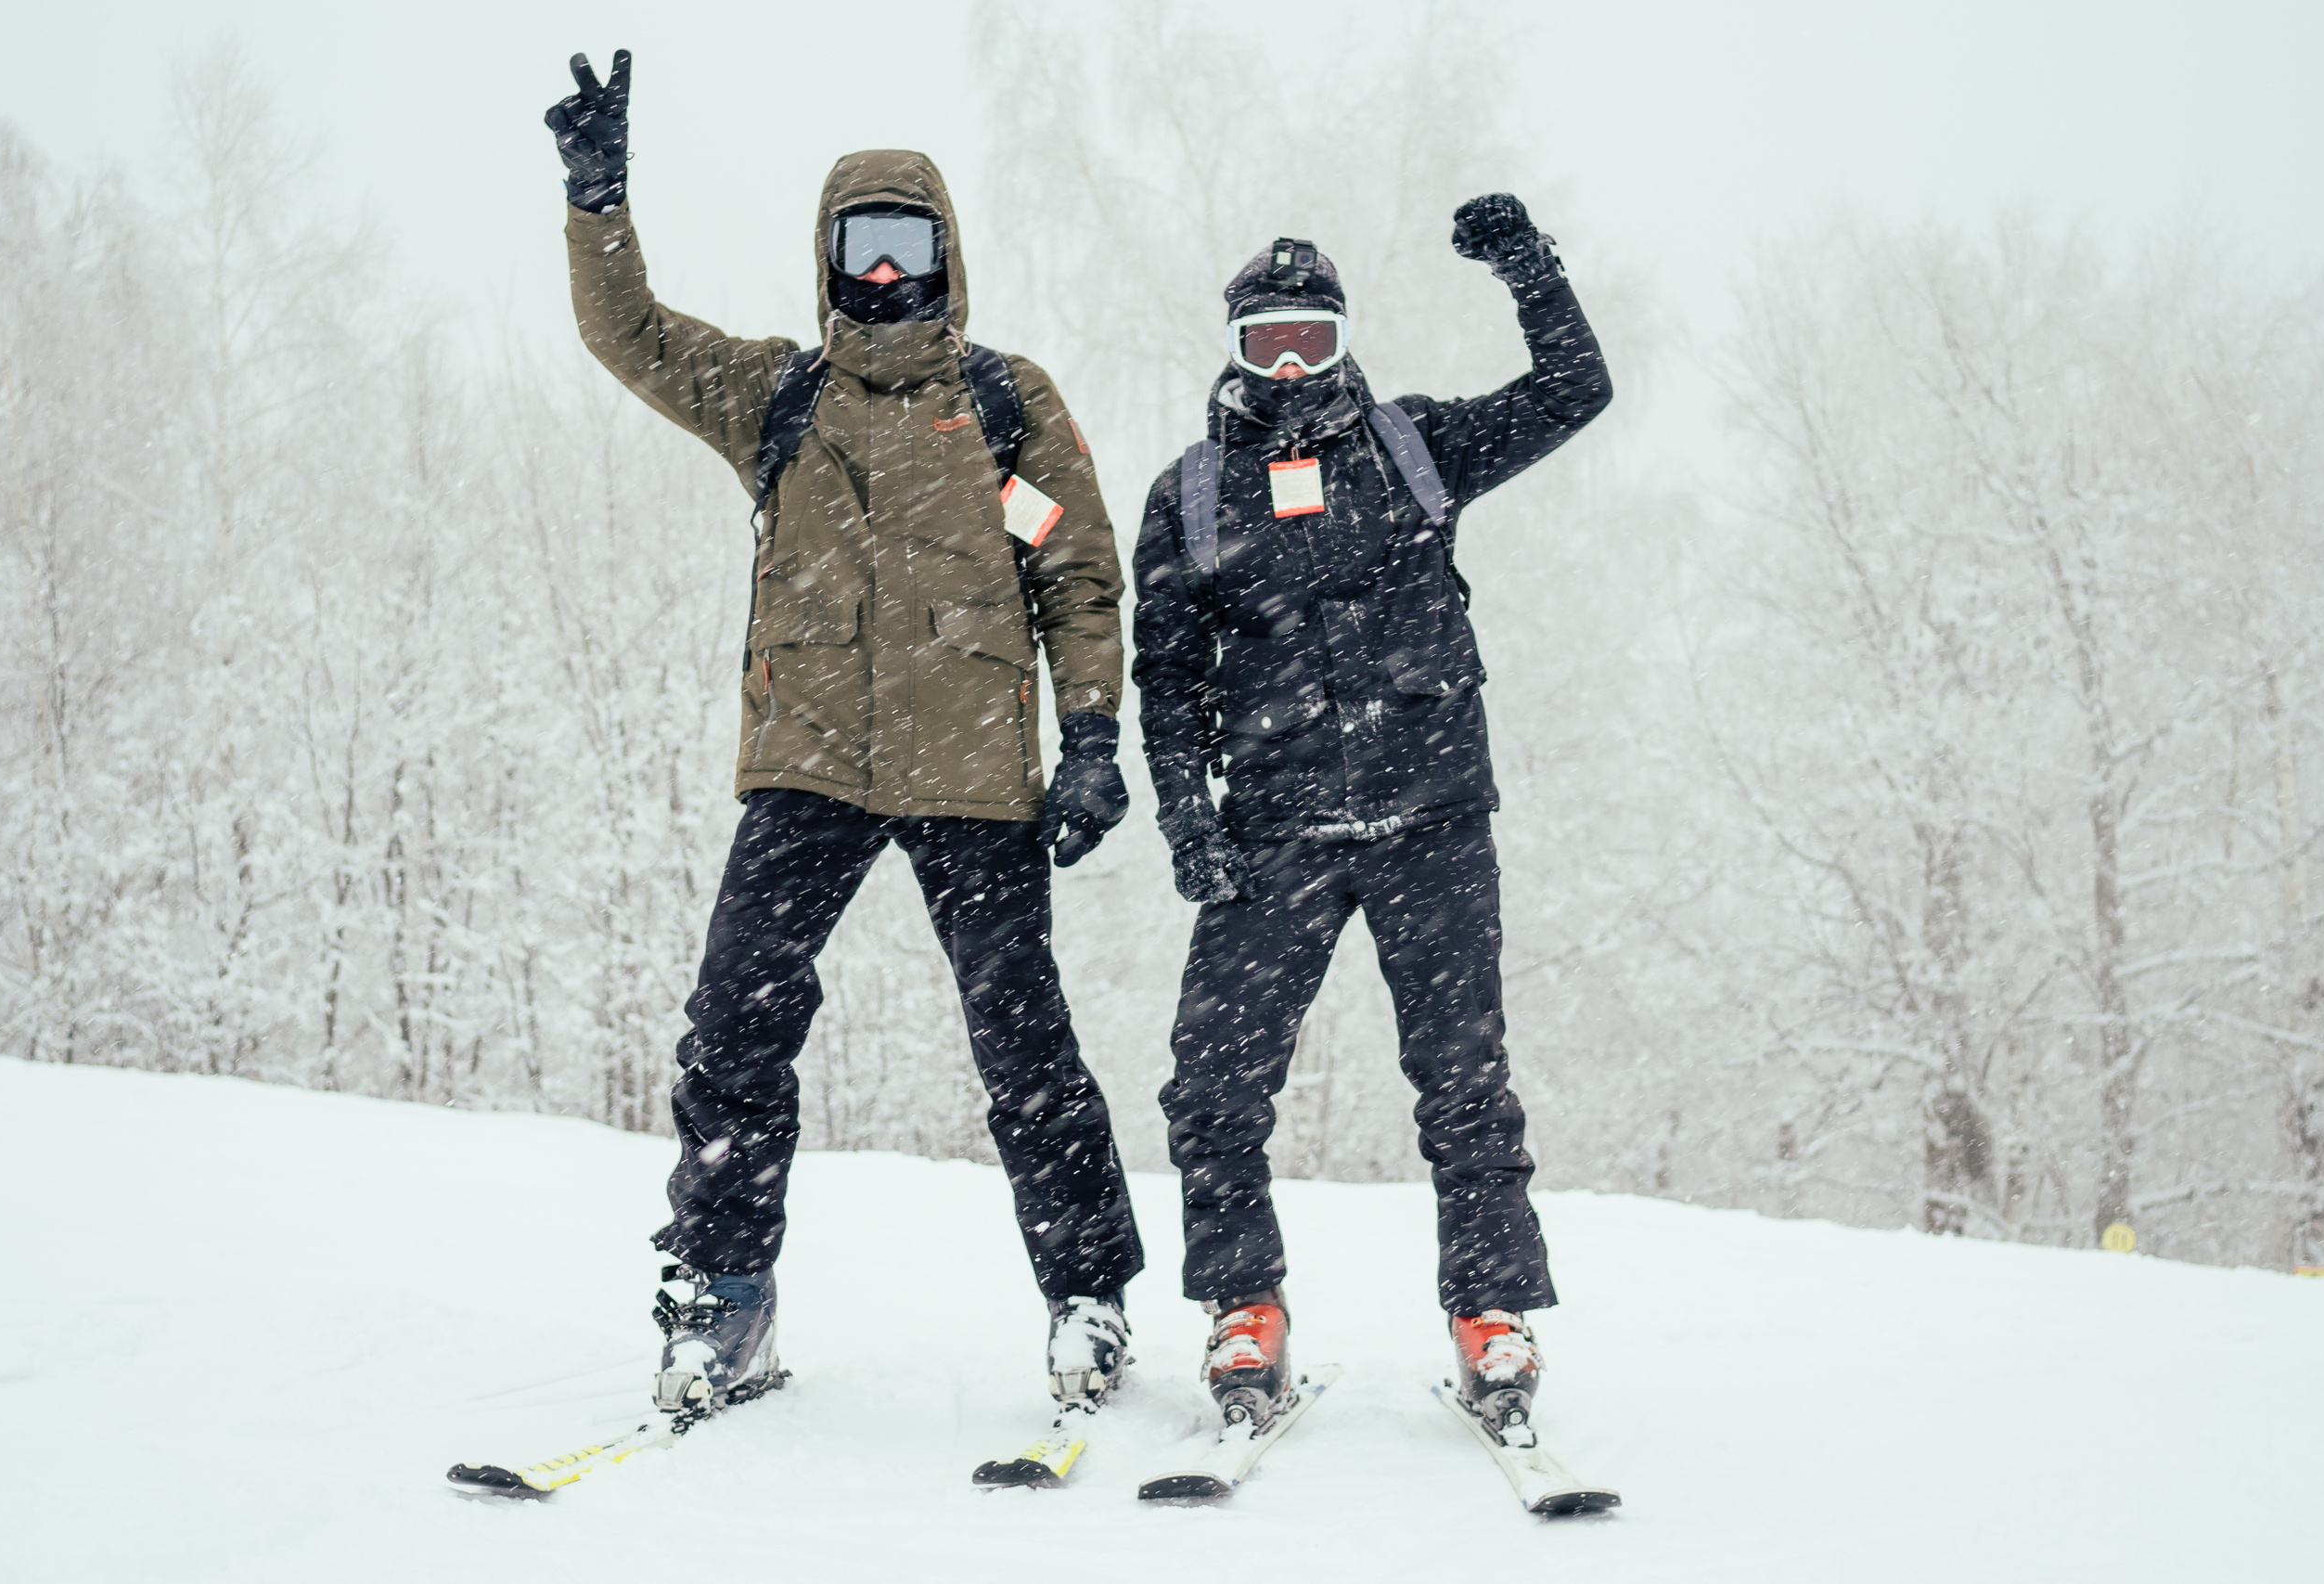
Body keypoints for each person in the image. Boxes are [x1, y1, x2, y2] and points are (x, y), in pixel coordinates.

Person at [546, 50, 1143, 1423]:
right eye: (860, 249)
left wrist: (1096, 733)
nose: (885, 276)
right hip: (809, 757)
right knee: (734, 1030)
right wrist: (598, 201)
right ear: (827, 259)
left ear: (945, 256)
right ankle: (724, 1301)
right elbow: (628, 331)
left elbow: (1075, 573)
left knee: (1022, 1043)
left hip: (974, 769)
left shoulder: (1003, 407)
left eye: (907, 247)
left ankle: (1087, 1295)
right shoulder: (776, 397)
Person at [1129, 200, 1611, 1438]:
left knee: (1463, 1083)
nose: (1289, 366)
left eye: (1310, 337)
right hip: (1275, 833)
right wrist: (1188, 814)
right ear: (1234, 350)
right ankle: (1245, 1306)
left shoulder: (1417, 449)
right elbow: (1167, 680)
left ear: (1343, 340)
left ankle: (1491, 1318)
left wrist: (1530, 269)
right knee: (1213, 1086)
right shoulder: (1188, 498)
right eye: (1266, 343)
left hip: (1432, 819)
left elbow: (1574, 389)